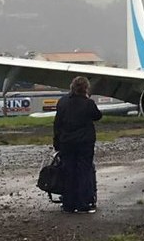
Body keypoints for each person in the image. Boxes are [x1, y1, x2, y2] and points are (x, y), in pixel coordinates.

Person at [53, 76, 102, 213]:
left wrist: (56, 141)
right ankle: (83, 203)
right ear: (86, 88)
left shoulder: (62, 102)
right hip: (84, 142)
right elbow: (98, 116)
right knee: (84, 172)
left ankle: (68, 203)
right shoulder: (88, 103)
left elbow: (57, 123)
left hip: (66, 142)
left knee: (68, 171)